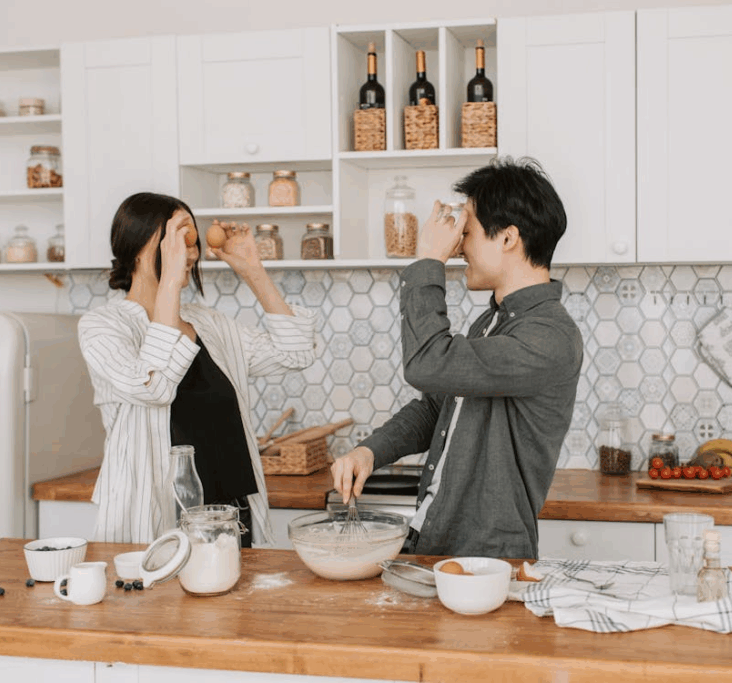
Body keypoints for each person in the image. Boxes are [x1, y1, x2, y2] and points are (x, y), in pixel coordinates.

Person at [331, 157, 583, 560]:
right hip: (436, 539)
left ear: (507, 238)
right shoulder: (496, 318)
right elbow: (438, 404)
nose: (460, 245)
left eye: (468, 232)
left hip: (486, 558)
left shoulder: (549, 336)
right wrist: (370, 451)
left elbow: (428, 364)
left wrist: (428, 260)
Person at [78, 192, 317, 546]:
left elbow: (296, 353)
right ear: (142, 246)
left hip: (232, 519)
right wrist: (170, 285)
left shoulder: (208, 323)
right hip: (155, 522)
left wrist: (254, 270)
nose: (192, 252)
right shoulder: (103, 327)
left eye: (193, 240)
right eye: (181, 239)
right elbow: (155, 386)